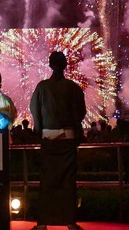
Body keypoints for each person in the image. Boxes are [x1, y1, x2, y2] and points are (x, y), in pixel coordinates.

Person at [29, 50, 86, 230]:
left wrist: (39, 131)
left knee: (47, 180)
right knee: (68, 181)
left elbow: (34, 111)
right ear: (65, 65)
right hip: (68, 137)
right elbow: (80, 112)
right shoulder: (73, 87)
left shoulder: (42, 87)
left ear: (50, 65)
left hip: (48, 136)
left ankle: (43, 222)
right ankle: (70, 222)